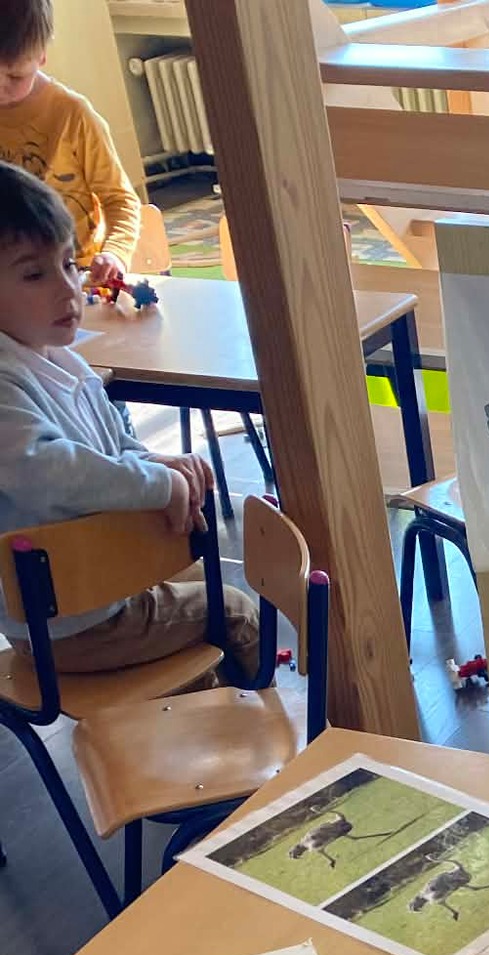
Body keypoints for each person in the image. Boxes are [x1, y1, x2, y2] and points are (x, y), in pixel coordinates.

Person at [0, 165, 258, 675]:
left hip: (101, 590)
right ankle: (291, 723)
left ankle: (203, 708)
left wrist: (156, 463)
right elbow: (50, 472)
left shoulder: (63, 360)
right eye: (34, 274)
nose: (67, 289)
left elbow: (114, 443)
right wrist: (158, 485)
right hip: (72, 623)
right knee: (236, 613)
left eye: (69, 264)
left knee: (199, 577)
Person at [0, 0, 139, 284]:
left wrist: (114, 254)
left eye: (15, 76)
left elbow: (120, 200)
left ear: (42, 56)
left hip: (76, 275)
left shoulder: (72, 114)